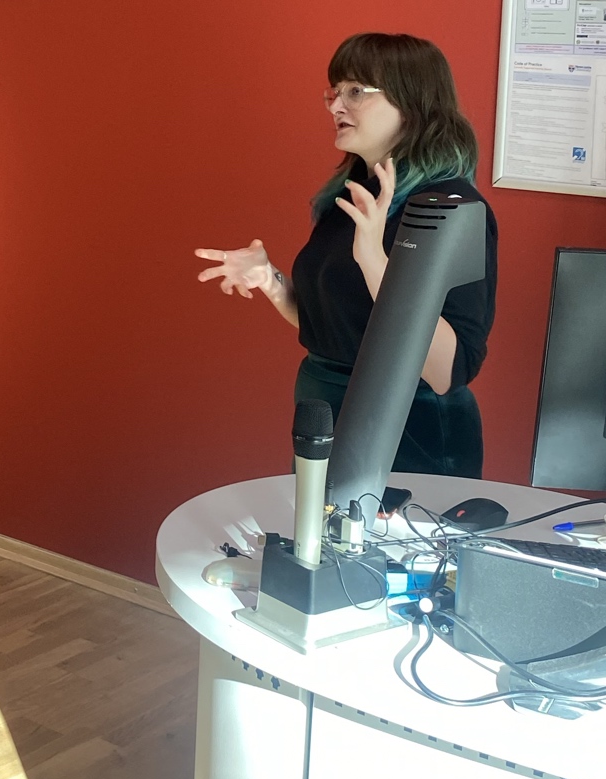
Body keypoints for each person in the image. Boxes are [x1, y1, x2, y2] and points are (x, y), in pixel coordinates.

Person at [196, 32, 498, 478]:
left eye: (356, 91)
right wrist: (270, 280)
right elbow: (336, 326)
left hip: (410, 432)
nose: (336, 106)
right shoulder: (353, 196)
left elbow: (447, 371)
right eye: (334, 92)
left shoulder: (453, 209)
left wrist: (373, 259)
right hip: (326, 416)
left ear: (412, 101)